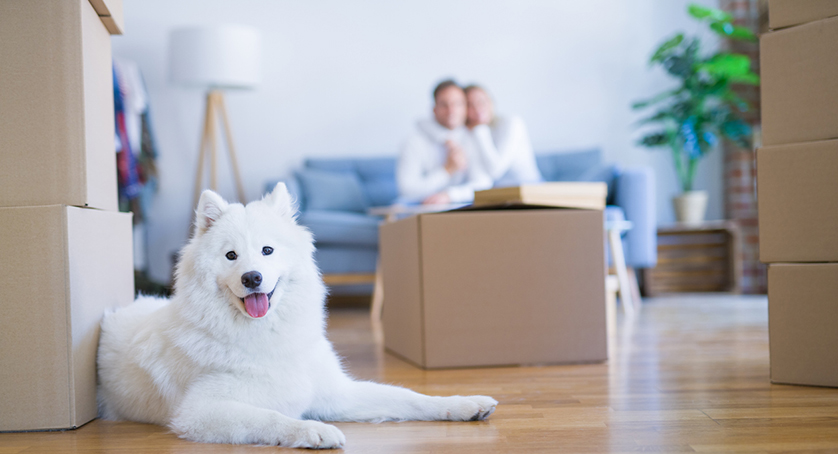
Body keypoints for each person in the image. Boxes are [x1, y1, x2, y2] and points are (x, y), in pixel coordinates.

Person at [397, 80, 492, 205]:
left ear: (465, 108)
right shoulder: (414, 141)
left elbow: (483, 184)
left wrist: (450, 195)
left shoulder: (472, 138)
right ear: (434, 109)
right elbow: (407, 190)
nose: (451, 110)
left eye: (457, 104)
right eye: (444, 104)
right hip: (420, 207)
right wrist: (447, 170)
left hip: (459, 208)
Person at [465, 85, 542, 187]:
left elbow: (495, 171)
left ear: (491, 103)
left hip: (529, 188)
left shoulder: (512, 123)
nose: (477, 109)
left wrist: (479, 130)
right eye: (470, 105)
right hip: (497, 193)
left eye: (481, 102)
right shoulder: (469, 133)